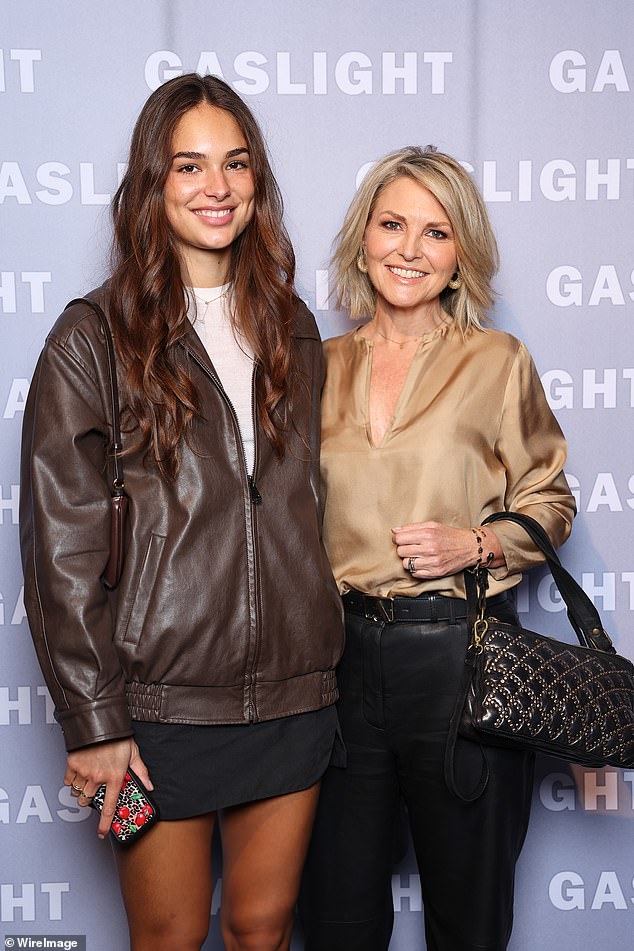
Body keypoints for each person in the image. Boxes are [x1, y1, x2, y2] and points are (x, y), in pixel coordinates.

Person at [20, 73, 343, 951]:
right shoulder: (92, 337)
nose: (217, 187)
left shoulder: (295, 327)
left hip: (294, 693)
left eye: (235, 164)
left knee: (263, 928)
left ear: (256, 179)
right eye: (188, 166)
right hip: (153, 708)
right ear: (151, 185)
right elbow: (60, 548)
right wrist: (95, 722)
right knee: (163, 937)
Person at [300, 146, 576, 951]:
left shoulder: (496, 361)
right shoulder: (311, 367)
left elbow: (551, 499)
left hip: (461, 660)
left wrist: (479, 541)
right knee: (337, 918)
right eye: (392, 225)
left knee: (468, 919)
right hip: (340, 669)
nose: (409, 250)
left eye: (436, 232)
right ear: (362, 239)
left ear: (461, 254)